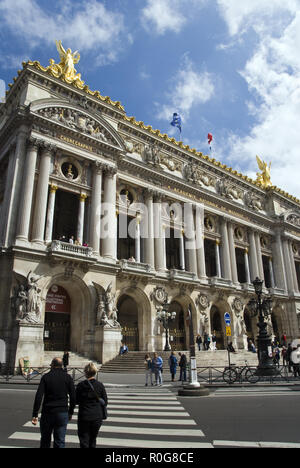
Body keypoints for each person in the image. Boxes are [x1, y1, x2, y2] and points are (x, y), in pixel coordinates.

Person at [31, 357, 76, 448]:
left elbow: (39, 396)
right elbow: (73, 397)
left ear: (52, 365)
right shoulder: (67, 377)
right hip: (62, 411)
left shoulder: (46, 377)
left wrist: (35, 413)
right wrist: (71, 411)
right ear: (61, 366)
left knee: (45, 440)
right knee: (60, 441)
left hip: (48, 411)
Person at [76, 363, 108, 449]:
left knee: (84, 441)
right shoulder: (100, 385)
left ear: (85, 372)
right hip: (97, 416)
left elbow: (76, 401)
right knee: (93, 440)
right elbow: (105, 401)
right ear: (95, 372)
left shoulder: (81, 385)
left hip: (84, 416)